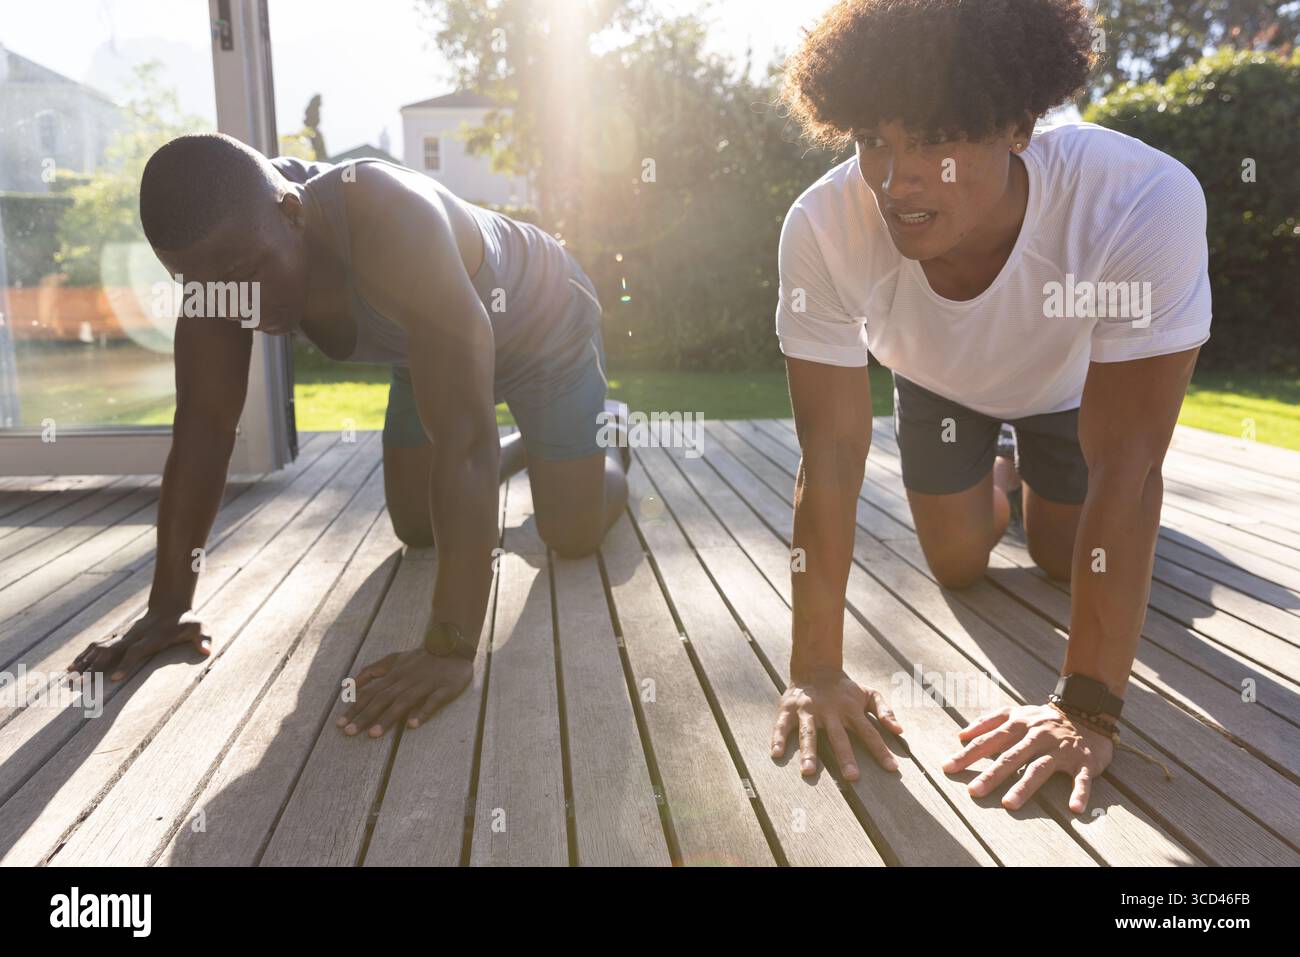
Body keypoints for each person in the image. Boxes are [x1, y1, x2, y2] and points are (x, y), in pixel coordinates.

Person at [767, 0, 1211, 814]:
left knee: (1059, 553)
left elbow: (1131, 464)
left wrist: (1087, 706)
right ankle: (999, 468)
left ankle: (1032, 464)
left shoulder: (1140, 198)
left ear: (1016, 125)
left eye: (932, 141)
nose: (896, 181)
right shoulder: (823, 227)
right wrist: (815, 670)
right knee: (960, 564)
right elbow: (828, 454)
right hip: (935, 383)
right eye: (874, 140)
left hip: (1073, 392)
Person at [68, 135, 630, 738]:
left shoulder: (390, 220)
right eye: (206, 289)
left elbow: (464, 443)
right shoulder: (222, 262)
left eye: (243, 276)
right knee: (417, 528)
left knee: (569, 533)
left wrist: (449, 647)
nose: (239, 308)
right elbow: (204, 427)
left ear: (292, 212)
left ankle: (613, 434)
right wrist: (167, 607)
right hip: (433, 348)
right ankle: (523, 450)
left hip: (545, 325)